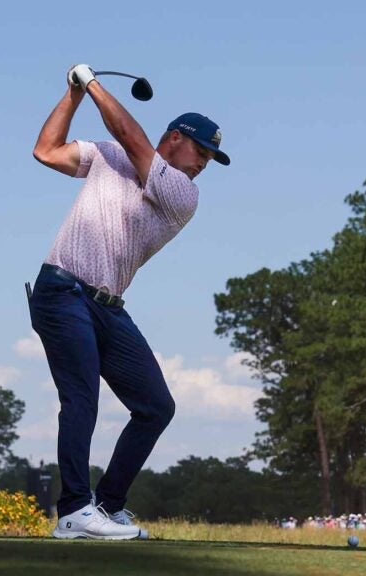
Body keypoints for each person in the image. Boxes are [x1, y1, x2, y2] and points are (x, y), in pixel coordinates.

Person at [30, 64, 230, 540]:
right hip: (61, 290)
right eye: (201, 150)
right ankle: (75, 510)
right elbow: (46, 150)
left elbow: (128, 132)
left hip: (108, 306)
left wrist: (93, 82)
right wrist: (74, 93)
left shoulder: (183, 193)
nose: (203, 162)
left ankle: (109, 504)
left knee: (156, 406)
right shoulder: (108, 157)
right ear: (176, 138)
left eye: (210, 157)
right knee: (81, 398)